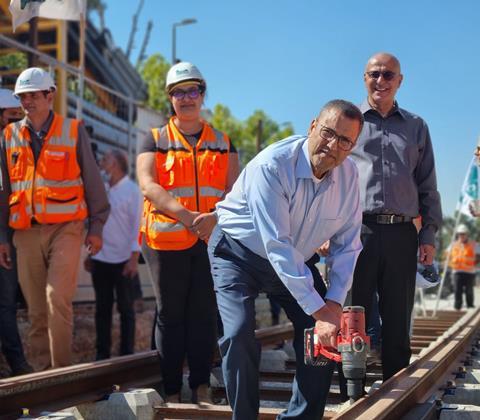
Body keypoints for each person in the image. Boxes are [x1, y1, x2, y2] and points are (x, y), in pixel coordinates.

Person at [209, 99, 364, 419]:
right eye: (328, 132)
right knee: (238, 334)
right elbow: (276, 245)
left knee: (325, 335)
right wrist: (320, 309)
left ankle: (301, 417)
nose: (333, 145)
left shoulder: (349, 180)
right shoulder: (273, 166)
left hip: (295, 259)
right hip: (237, 255)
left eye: (345, 140)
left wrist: (333, 305)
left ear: (352, 147)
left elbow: (347, 246)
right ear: (311, 127)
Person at [136, 61, 240, 403]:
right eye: (178, 92)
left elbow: (234, 192)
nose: (186, 98)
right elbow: (149, 184)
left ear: (202, 94)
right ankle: (170, 389)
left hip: (210, 239)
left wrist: (211, 218)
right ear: (170, 98)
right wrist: (188, 216)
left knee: (203, 312)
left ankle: (199, 385)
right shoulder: (154, 140)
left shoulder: (224, 143)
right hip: (165, 240)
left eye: (192, 90)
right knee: (170, 313)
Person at [0, 67, 110, 370]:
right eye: (23, 97)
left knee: (55, 299)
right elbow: (4, 190)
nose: (27, 102)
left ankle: (61, 376)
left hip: (67, 228)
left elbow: (93, 182)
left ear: (51, 95)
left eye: (34, 95)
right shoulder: (9, 136)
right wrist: (3, 239)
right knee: (35, 311)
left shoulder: (73, 131)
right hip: (24, 233)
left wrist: (97, 227)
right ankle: (42, 380)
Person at [349, 53, 442, 381]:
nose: (381, 81)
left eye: (389, 75)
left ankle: (395, 389)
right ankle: (352, 386)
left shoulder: (417, 127)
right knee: (352, 314)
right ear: (364, 78)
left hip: (402, 234)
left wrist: (428, 234)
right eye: (374, 74)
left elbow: (428, 186)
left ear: (400, 81)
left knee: (398, 317)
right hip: (356, 232)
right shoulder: (350, 122)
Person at [86, 149, 143, 360]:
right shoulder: (102, 189)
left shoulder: (132, 190)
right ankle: (102, 355)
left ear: (117, 163)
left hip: (123, 260)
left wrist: (134, 258)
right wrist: (89, 254)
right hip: (100, 259)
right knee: (102, 309)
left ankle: (126, 355)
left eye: (106, 158)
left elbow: (138, 226)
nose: (102, 161)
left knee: (126, 309)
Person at [0, 89, 33, 376]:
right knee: (5, 304)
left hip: (10, 237)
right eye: (11, 116)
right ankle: (18, 365)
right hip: (4, 239)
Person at [449, 224, 476, 310]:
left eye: (463, 234)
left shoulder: (473, 244)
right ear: (458, 234)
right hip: (457, 271)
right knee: (457, 290)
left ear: (467, 234)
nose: (462, 235)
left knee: (469, 290)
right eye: (460, 234)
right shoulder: (453, 245)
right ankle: (457, 307)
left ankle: (470, 306)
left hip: (469, 272)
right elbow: (446, 256)